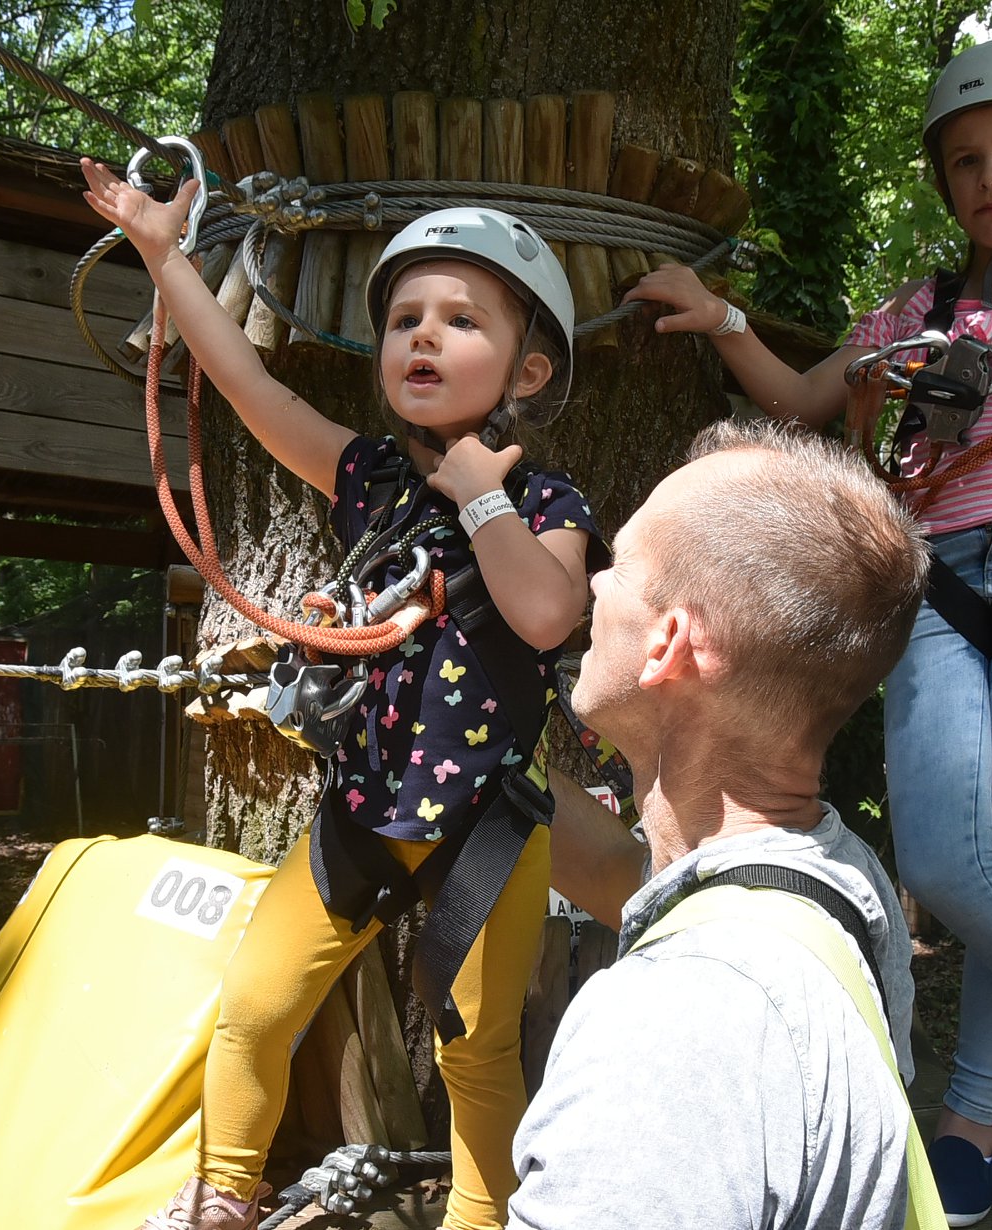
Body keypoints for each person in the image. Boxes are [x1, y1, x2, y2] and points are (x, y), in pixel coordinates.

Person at [624, 34, 992, 1224]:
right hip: (934, 582)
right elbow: (803, 399)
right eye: (964, 160)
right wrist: (719, 317)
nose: (989, 176)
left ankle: (970, 1127)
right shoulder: (911, 314)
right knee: (952, 863)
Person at [79, 164, 603, 1230]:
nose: (423, 336)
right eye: (405, 320)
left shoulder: (546, 502)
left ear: (528, 369)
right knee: (254, 1007)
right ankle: (224, 1193)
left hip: (486, 826)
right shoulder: (368, 478)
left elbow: (549, 615)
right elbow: (252, 390)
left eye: (460, 320)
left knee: (477, 1051)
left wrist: (486, 502)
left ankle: (479, 1220)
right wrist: (167, 257)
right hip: (361, 810)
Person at [511, 419, 932, 1230]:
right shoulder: (834, 881)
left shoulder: (676, 1025)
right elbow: (632, 879)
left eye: (619, 564)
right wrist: (456, 749)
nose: (594, 583)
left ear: (669, 644)